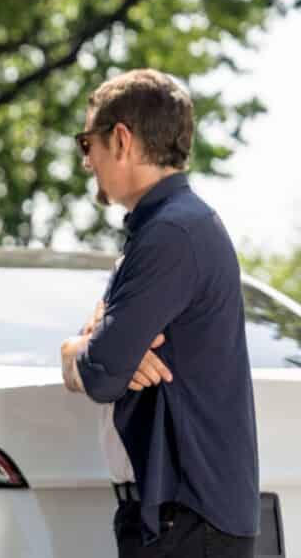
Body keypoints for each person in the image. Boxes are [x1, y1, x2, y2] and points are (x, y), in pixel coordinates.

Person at [59, 69, 259, 557]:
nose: (87, 162)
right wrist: (92, 345)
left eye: (89, 144)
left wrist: (83, 350)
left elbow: (103, 373)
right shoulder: (173, 228)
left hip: (186, 523)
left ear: (121, 139)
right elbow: (108, 353)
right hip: (182, 519)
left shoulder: (171, 234)